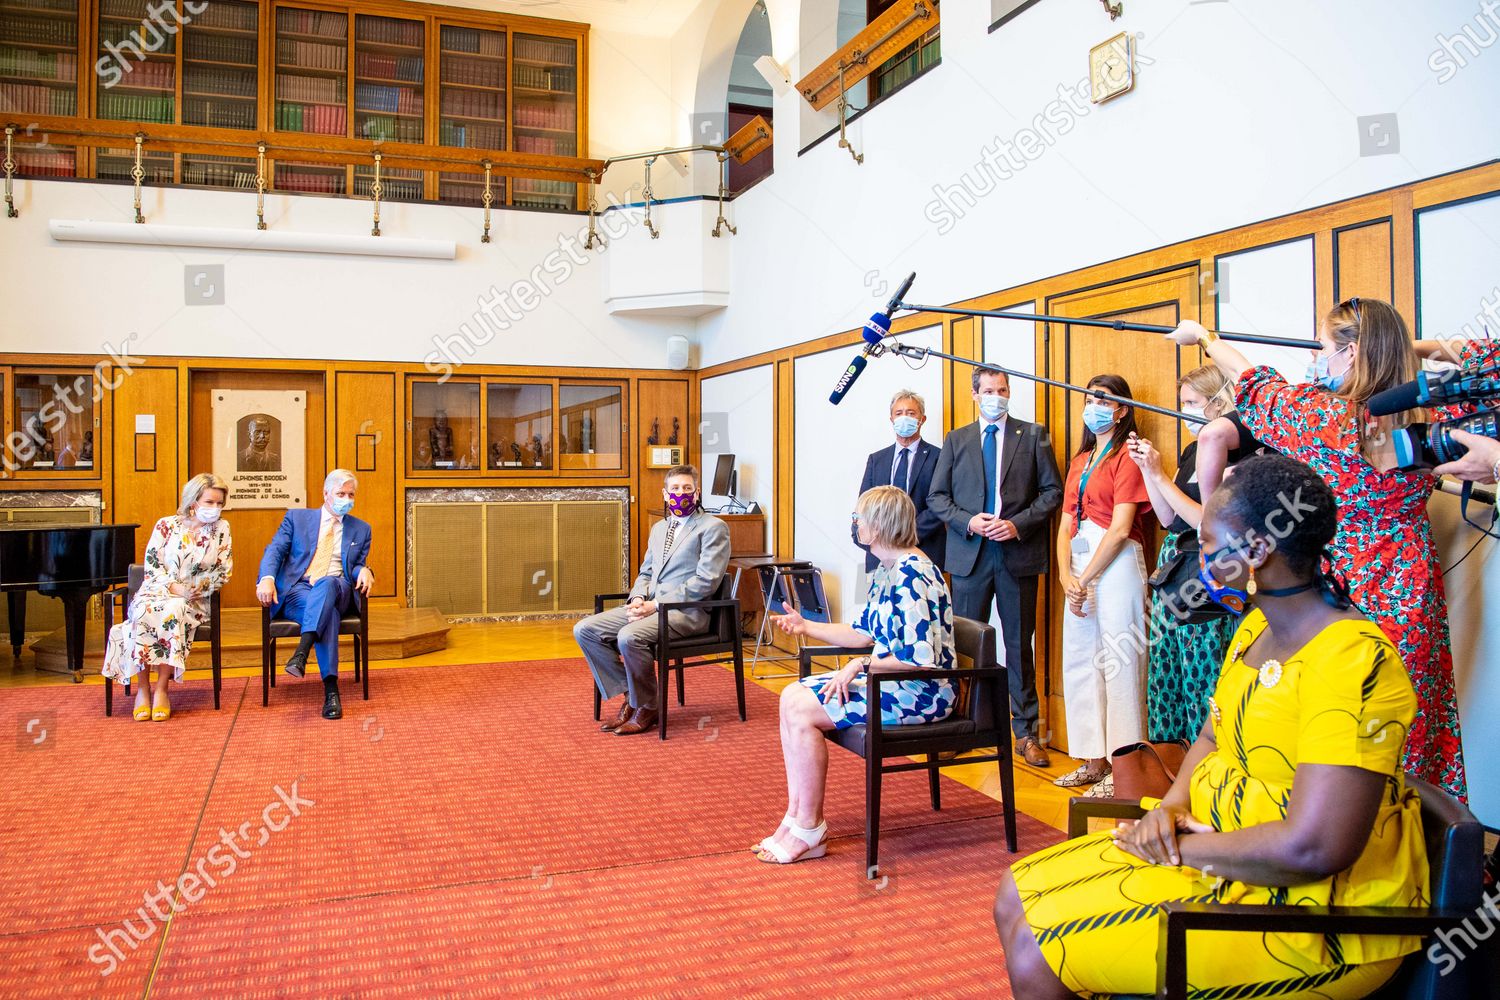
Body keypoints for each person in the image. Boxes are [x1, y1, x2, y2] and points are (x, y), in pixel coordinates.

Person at [994, 455, 1428, 999]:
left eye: (1206, 545)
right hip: (1217, 858)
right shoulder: (1253, 629)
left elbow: (1316, 848)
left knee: (1040, 950)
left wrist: (1178, 848)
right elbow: (1211, 737)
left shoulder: (1352, 660)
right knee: (1013, 893)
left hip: (1312, 915)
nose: (1196, 559)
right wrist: (1173, 807)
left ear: (1257, 551)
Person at [1169, 302, 1500, 799]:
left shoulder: (1326, 416)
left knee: (1335, 720)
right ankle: (1417, 842)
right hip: (1411, 584)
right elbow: (1489, 358)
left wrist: (1204, 335)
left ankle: (1329, 833)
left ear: (1349, 352)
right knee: (1407, 717)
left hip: (1339, 590)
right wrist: (1407, 346)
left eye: (1325, 348)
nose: (1320, 359)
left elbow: (1255, 382)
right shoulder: (1430, 411)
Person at [755, 485, 956, 864]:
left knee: (802, 709)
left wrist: (859, 665)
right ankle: (796, 816)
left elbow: (918, 659)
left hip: (921, 691)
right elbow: (862, 633)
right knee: (791, 697)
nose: (854, 524)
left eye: (858, 518)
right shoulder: (885, 569)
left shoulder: (914, 574)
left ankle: (810, 828)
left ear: (877, 526)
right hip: (890, 680)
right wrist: (804, 627)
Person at [928, 367, 1062, 769]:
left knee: (1020, 645)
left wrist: (1016, 524)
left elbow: (1052, 491)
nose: (996, 396)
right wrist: (968, 520)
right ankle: (961, 727)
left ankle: (1026, 734)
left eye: (1002, 390)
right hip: (970, 555)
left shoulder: (1033, 435)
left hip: (1016, 555)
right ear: (975, 395)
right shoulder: (956, 440)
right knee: (966, 646)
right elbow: (937, 496)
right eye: (988, 390)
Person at [1126, 365, 1244, 743]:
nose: (1186, 410)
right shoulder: (1194, 450)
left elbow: (1207, 522)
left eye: (1192, 403)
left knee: (1201, 680)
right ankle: (1168, 773)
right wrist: (1148, 469)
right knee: (1165, 679)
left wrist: (1160, 475)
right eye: (1183, 403)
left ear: (1218, 401)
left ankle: (1203, 772)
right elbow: (1167, 516)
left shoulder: (1240, 453)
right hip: (1172, 568)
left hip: (1208, 572)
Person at [574, 465, 731, 736]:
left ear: (697, 492)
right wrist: (637, 597)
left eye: (686, 488)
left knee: (628, 636)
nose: (680, 493)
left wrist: (655, 605)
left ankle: (646, 707)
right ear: (665, 494)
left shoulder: (713, 527)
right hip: (649, 606)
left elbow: (706, 581)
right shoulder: (659, 528)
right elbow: (647, 571)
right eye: (675, 489)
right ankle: (632, 696)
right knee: (585, 629)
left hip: (685, 612)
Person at [1052, 375, 1151, 788]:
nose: (1093, 407)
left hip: (1117, 563)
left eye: (1103, 400)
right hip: (1078, 565)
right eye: (1089, 399)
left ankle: (1125, 767)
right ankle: (1094, 760)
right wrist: (1065, 576)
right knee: (1080, 663)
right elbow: (1065, 523)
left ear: (1121, 409)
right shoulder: (1081, 459)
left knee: (1119, 660)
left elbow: (1122, 527)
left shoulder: (1128, 455)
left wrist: (1085, 577)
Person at [102, 473, 233, 721]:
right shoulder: (166, 525)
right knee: (142, 609)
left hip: (195, 599)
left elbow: (223, 569)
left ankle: (162, 687)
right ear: (193, 502)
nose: (215, 509)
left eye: (219, 504)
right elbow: (152, 566)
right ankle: (143, 688)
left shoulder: (221, 529)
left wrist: (199, 587)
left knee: (172, 611)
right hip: (158, 590)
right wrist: (175, 588)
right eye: (209, 502)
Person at [256, 470, 374, 720]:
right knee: (326, 613)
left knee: (328, 584)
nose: (346, 499)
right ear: (326, 494)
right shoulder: (297, 518)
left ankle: (302, 650)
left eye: (351, 495)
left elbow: (354, 565)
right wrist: (267, 578)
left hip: (338, 587)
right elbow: (275, 550)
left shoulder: (361, 529)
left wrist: (365, 569)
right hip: (298, 591)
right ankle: (331, 690)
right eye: (341, 493)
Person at [854, 389, 945, 571]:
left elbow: (938, 506)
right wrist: (875, 541)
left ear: (922, 419)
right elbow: (863, 506)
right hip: (877, 559)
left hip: (923, 554)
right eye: (899, 413)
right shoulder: (876, 459)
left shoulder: (939, 457)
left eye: (911, 413)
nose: (905, 417)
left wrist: (903, 536)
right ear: (891, 419)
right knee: (872, 601)